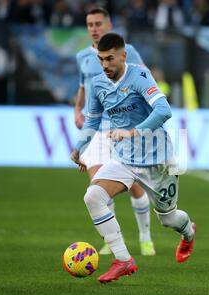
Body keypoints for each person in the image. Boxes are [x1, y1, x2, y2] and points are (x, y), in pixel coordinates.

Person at [70, 33, 196, 283]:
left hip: (158, 161)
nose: (105, 65)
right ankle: (124, 260)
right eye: (101, 59)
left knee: (168, 218)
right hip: (124, 159)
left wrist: (132, 132)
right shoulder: (97, 83)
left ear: (123, 56)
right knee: (93, 196)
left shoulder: (139, 76)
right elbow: (93, 119)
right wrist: (79, 148)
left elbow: (164, 110)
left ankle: (189, 231)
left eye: (110, 59)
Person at [74, 8, 156, 257]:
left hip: (122, 126)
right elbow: (83, 86)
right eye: (90, 24)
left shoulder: (127, 52)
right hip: (96, 128)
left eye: (99, 23)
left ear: (109, 24)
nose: (94, 28)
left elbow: (143, 79)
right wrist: (77, 109)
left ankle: (145, 237)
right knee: (97, 187)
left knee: (134, 187)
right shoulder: (83, 57)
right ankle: (114, 243)